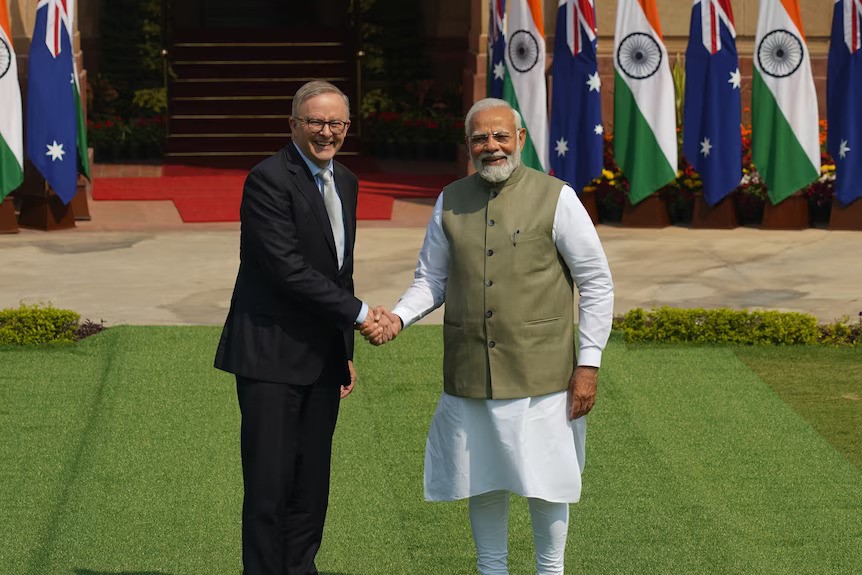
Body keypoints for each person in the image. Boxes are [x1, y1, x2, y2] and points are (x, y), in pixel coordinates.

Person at [364, 98, 614, 575]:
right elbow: (431, 280)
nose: (491, 146)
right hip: (470, 370)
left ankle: (551, 570)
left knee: (547, 481)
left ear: (520, 139)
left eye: (501, 136)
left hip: (544, 374)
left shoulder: (557, 196)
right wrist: (397, 318)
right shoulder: (450, 198)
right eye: (480, 138)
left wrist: (589, 362)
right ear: (468, 145)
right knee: (481, 479)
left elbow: (596, 281)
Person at [215, 80, 385, 575]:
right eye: (315, 122)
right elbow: (285, 268)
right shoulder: (267, 179)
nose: (326, 132)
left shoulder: (347, 181)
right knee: (269, 487)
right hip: (269, 355)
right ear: (293, 125)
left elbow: (339, 269)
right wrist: (359, 313)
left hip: (323, 359)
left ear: (348, 128)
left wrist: (344, 348)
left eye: (336, 123)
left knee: (312, 487)